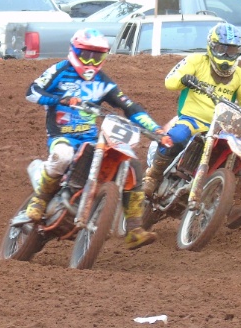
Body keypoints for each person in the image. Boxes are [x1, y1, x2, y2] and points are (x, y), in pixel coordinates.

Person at [24, 28, 167, 250]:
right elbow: (32, 91)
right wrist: (59, 100)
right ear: (74, 51)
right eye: (86, 54)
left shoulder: (103, 81)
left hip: (90, 138)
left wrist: (156, 130)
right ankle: (40, 199)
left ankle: (134, 229)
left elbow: (128, 106)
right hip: (62, 135)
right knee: (62, 156)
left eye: (97, 56)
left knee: (131, 164)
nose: (91, 60)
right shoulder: (61, 70)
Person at [143, 23, 241, 230]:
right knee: (177, 137)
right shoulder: (196, 61)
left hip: (222, 127)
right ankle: (153, 176)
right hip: (192, 120)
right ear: (211, 46)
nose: (226, 54)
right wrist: (184, 79)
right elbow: (170, 81)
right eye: (221, 48)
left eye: (231, 50)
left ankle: (235, 206)